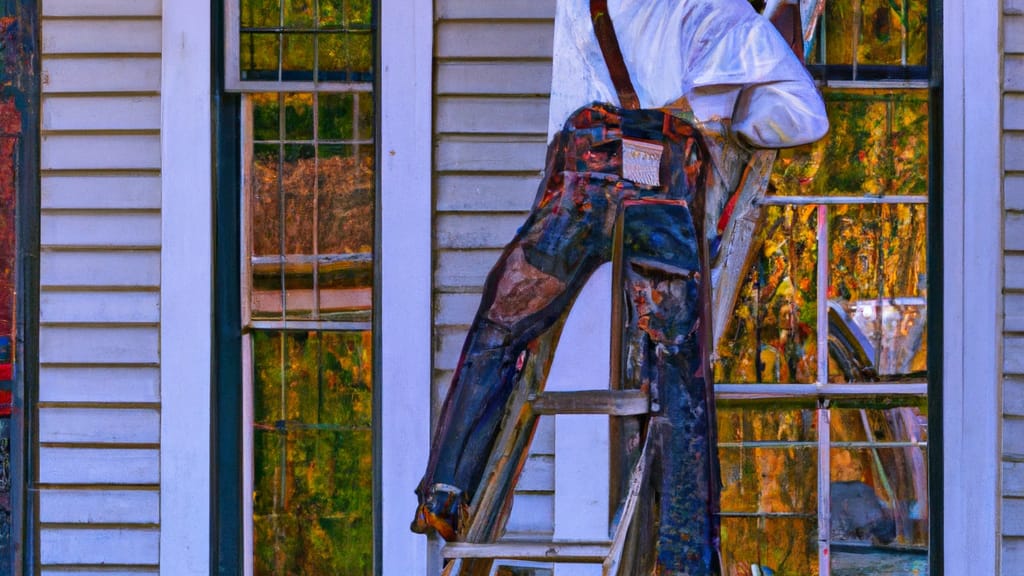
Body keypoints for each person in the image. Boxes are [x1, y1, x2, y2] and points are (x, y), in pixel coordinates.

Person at [411, 0, 828, 566]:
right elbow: (804, 116)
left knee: (502, 321)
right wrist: (731, 121)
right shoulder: (720, 13)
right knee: (679, 373)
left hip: (582, 174)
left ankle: (445, 491)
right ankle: (686, 558)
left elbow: (567, 103)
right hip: (664, 183)